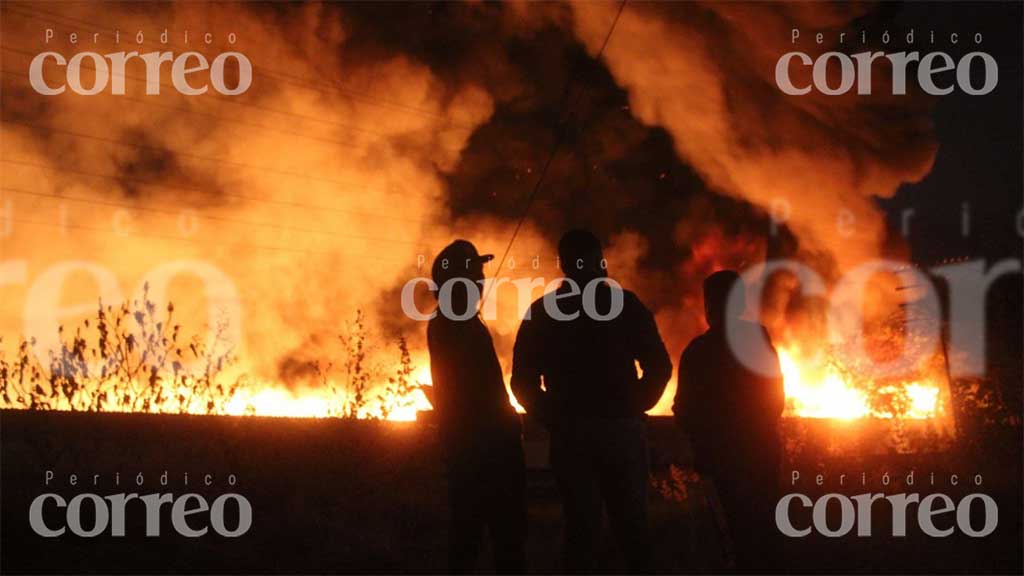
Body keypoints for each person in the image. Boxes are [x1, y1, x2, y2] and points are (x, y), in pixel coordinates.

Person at [511, 229, 672, 573]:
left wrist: (553, 419)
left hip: (573, 436)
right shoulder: (625, 306)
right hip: (619, 434)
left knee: (581, 528)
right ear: (600, 262)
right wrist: (635, 406)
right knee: (633, 529)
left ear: (564, 266)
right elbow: (659, 366)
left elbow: (522, 381)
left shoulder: (544, 312)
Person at [673, 270, 786, 572]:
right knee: (766, 532)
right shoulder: (759, 343)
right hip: (761, 454)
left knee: (733, 533)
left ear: (710, 306)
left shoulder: (698, 352)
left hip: (722, 460)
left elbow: (683, 410)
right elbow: (775, 399)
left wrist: (704, 442)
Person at [427, 240, 527, 574]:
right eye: (475, 273)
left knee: (473, 536)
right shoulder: (456, 326)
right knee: (497, 537)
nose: (481, 281)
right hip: (484, 447)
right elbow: (472, 392)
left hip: (474, 446)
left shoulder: (455, 323)